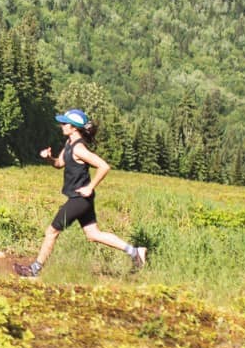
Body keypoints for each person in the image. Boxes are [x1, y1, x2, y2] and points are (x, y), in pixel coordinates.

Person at [14, 108, 146, 277]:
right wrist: (49, 158)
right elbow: (59, 163)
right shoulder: (69, 143)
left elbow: (104, 166)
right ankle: (135, 252)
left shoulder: (79, 149)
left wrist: (90, 187)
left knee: (51, 231)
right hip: (81, 198)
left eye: (64, 123)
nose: (61, 125)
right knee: (93, 234)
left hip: (79, 199)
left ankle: (34, 270)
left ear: (74, 127)